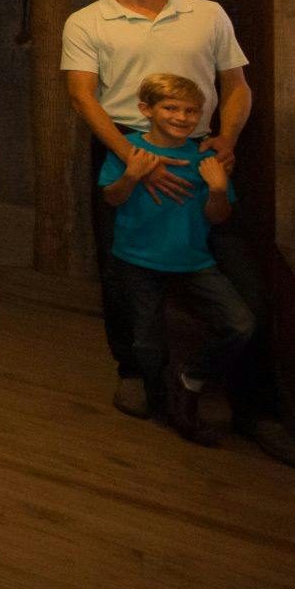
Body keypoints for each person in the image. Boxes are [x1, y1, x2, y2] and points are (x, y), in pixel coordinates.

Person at [60, 0, 295, 466]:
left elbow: (237, 85)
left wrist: (227, 140)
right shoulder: (86, 22)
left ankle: (257, 409)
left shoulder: (206, 14)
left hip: (200, 154)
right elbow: (83, 97)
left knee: (243, 279)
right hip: (125, 147)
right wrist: (134, 161)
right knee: (120, 272)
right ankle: (136, 374)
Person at [97, 72, 257, 447]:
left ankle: (191, 377)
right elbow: (111, 199)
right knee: (147, 346)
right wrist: (132, 176)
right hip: (136, 259)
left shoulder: (205, 156)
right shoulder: (129, 149)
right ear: (146, 110)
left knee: (241, 324)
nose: (182, 118)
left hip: (193, 260)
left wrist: (218, 189)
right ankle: (168, 396)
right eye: (171, 108)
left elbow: (219, 216)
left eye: (191, 111)